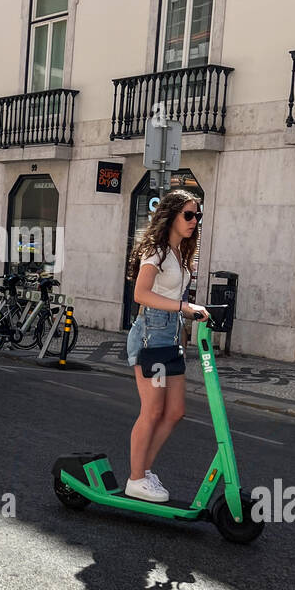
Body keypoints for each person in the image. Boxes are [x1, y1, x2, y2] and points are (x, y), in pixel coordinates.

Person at [124, 189, 209, 503]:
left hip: (171, 336)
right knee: (152, 411)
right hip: (151, 334)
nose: (193, 221)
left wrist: (189, 311)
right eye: (188, 214)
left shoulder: (179, 252)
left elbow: (173, 297)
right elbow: (141, 294)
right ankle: (135, 478)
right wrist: (183, 307)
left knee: (175, 411)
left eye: (197, 215)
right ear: (171, 215)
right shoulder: (157, 251)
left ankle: (143, 471)